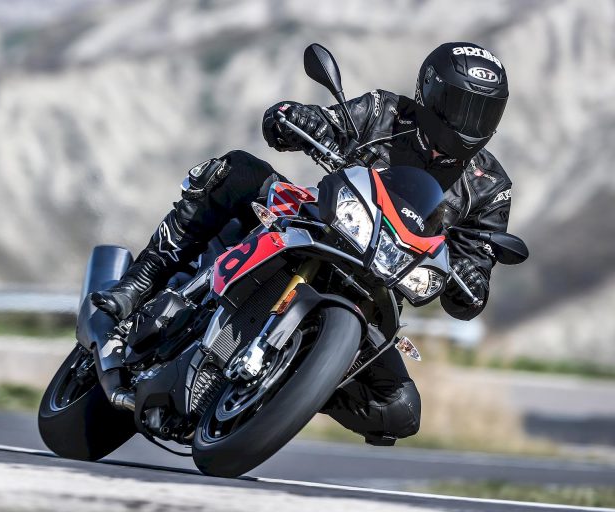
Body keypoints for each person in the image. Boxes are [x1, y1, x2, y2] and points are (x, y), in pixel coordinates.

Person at [91, 42, 512, 445]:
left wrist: (470, 279)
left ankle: (291, 384)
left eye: (483, 112)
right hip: (317, 227)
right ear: (429, 93)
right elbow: (326, 122)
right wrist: (300, 119)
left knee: (401, 409)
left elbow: (475, 270)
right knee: (238, 171)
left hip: (376, 289)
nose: (469, 122)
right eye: (461, 106)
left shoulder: (489, 187)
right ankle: (138, 284)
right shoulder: (384, 112)